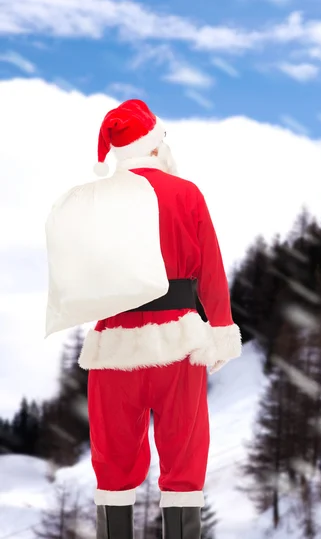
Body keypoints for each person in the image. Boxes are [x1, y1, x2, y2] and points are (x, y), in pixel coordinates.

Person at [62, 99, 241, 538]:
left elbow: (79, 274)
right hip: (178, 342)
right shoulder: (186, 194)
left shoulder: (94, 201)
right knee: (184, 462)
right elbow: (211, 273)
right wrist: (219, 331)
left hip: (114, 346)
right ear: (157, 145)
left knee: (113, 465)